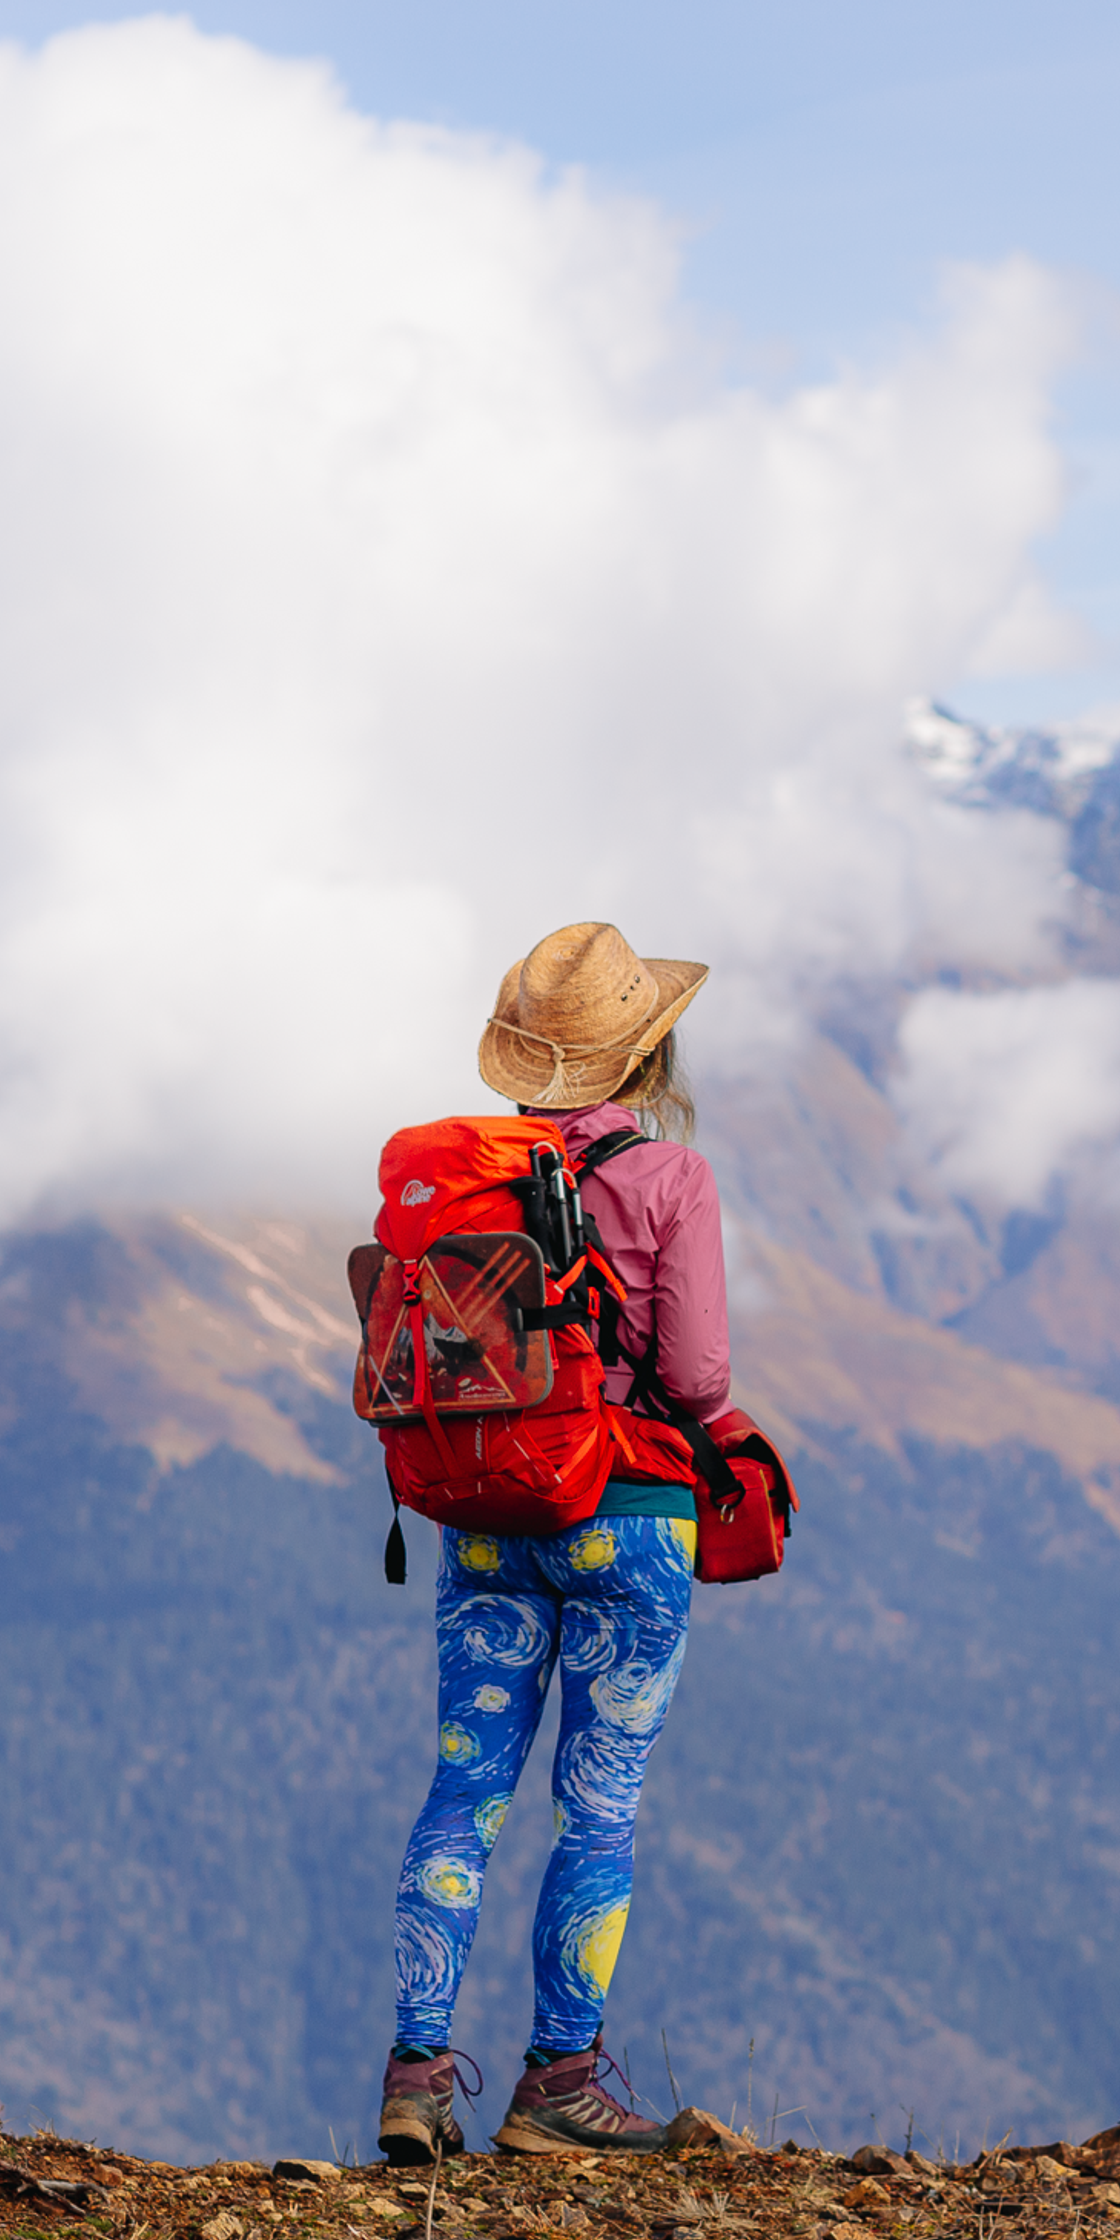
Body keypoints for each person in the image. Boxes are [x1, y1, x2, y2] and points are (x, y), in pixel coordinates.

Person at [377, 921, 730, 2163]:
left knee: (464, 1791)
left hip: (487, 1516)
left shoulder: (472, 1180)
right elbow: (696, 1376)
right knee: (598, 1806)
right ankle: (559, 2085)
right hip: (627, 1522)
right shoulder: (669, 1177)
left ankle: (416, 2077)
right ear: (648, 1053)